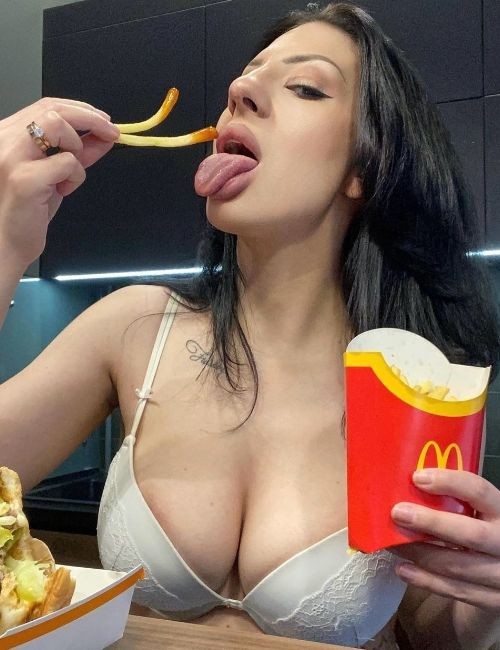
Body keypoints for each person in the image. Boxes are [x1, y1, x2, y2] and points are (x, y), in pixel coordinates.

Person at [0, 2, 499, 648]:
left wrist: (484, 603)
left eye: (305, 87)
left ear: (364, 168)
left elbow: (437, 635)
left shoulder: (415, 385)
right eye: (247, 77)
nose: (239, 90)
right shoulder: (135, 328)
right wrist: (5, 245)